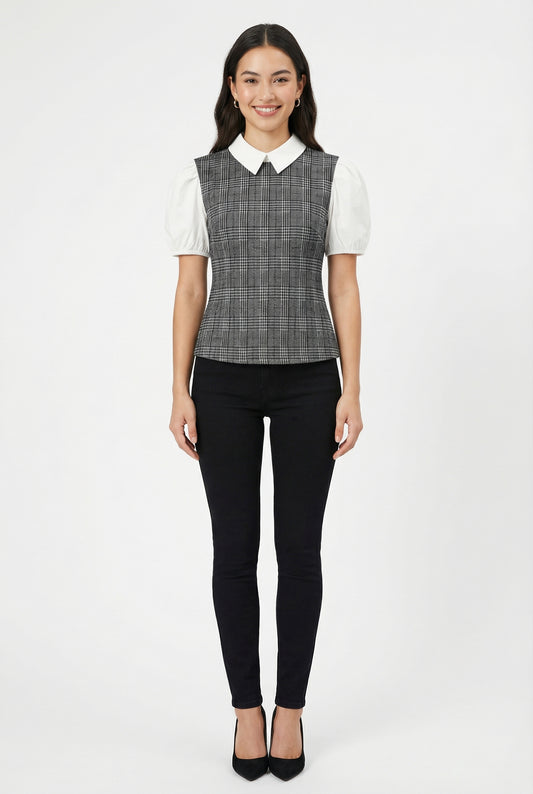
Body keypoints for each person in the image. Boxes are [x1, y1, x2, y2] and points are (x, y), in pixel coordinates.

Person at [165, 22, 371, 781]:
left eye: (280, 78)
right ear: (232, 89)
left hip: (309, 381)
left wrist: (352, 386)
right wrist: (179, 387)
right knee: (233, 552)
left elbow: (343, 286)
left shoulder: (332, 176)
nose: (265, 93)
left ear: (300, 87)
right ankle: (245, 709)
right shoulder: (202, 178)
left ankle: (291, 709)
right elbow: (190, 288)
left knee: (299, 552)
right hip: (220, 380)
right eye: (250, 79)